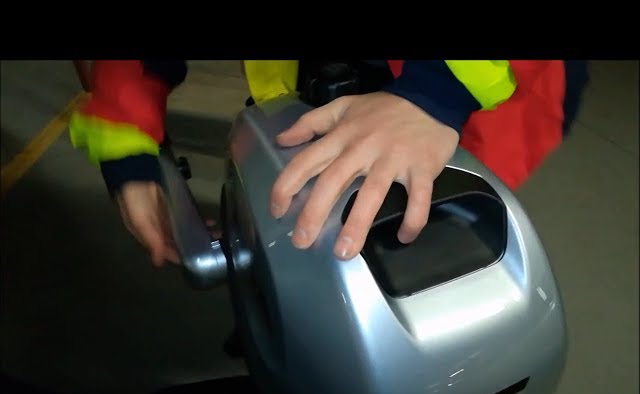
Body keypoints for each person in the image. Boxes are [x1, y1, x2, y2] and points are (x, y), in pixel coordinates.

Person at [69, 60, 588, 267]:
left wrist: (436, 94)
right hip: (310, 88)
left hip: (477, 103)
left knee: (417, 254)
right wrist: (125, 141)